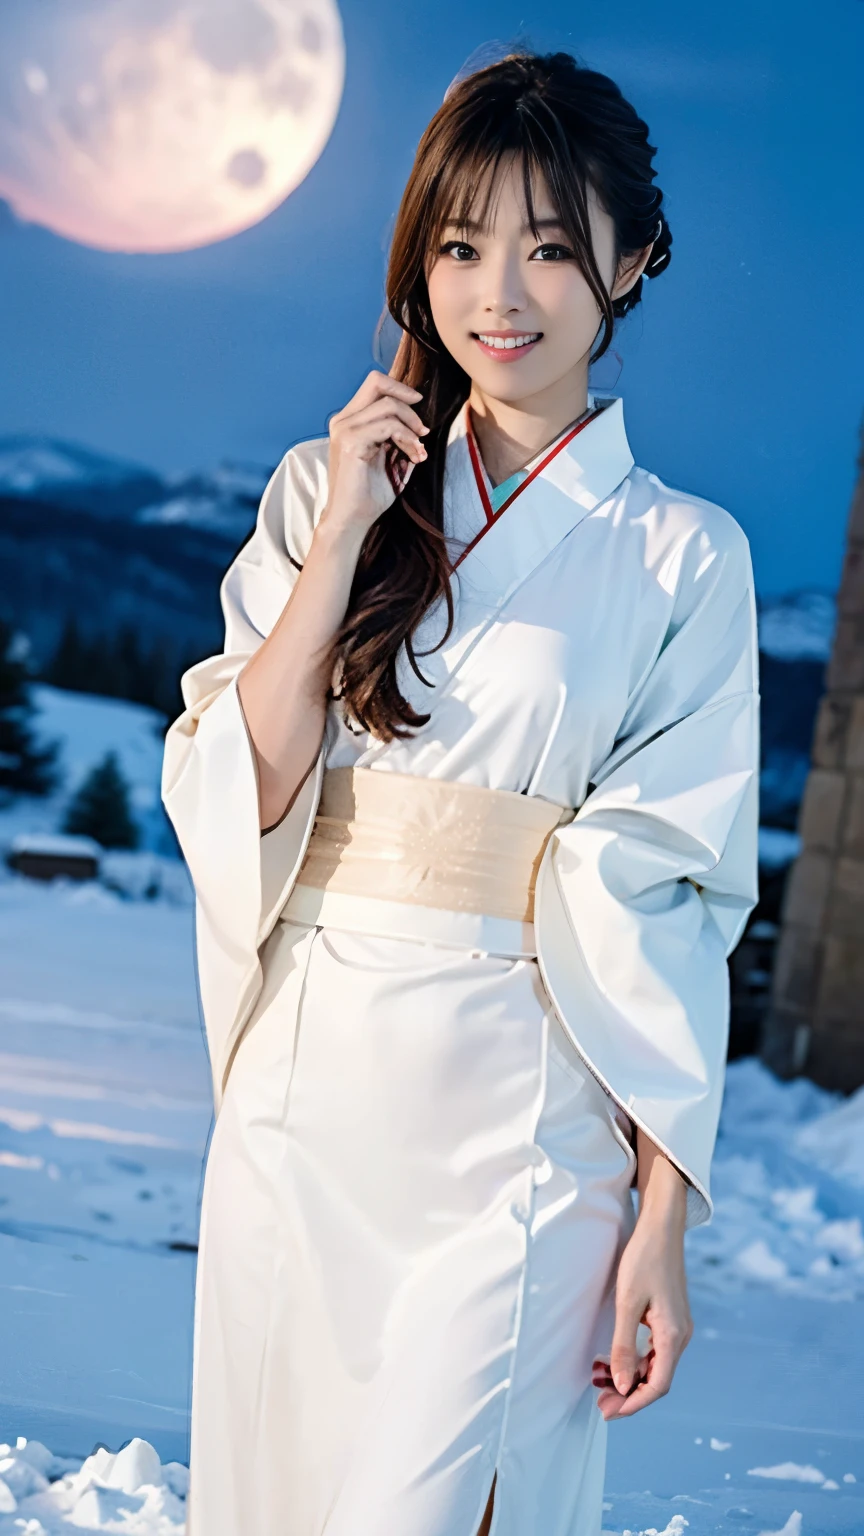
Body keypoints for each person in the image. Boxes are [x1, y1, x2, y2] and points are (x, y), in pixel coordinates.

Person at [162, 48, 759, 1536]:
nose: (503, 289)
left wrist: (660, 1219)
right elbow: (245, 783)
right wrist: (339, 543)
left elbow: (677, 892)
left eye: (552, 246)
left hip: (522, 1120)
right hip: (309, 1095)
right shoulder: (328, 489)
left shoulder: (686, 555)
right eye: (462, 242)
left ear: (635, 258)